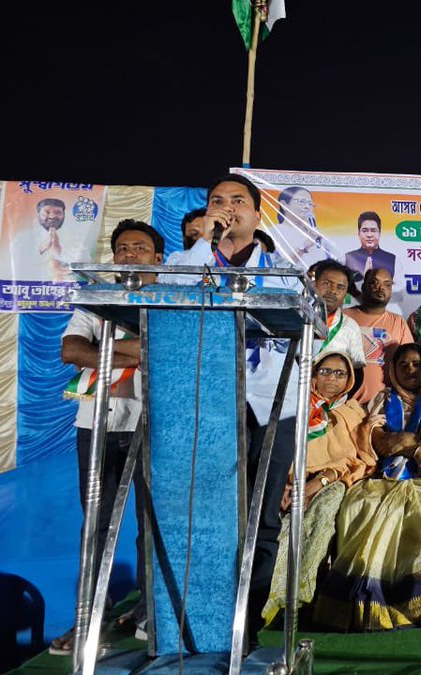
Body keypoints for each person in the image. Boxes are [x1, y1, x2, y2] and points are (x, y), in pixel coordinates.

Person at [158, 173, 303, 643]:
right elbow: (173, 294)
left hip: (273, 404)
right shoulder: (187, 259)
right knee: (209, 513)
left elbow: (308, 327)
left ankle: (248, 623)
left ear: (258, 216)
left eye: (237, 201)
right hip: (210, 402)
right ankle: (202, 621)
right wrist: (205, 242)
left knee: (263, 519)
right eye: (216, 201)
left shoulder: (285, 269)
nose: (226, 208)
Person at [51, 219, 165, 653]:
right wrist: (131, 349)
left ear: (159, 258)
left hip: (152, 424)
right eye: (122, 248)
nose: (130, 254)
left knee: (151, 525)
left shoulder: (170, 301)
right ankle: (88, 620)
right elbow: (70, 351)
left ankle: (150, 612)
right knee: (96, 526)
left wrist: (109, 352)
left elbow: (166, 347)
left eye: (140, 247)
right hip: (96, 425)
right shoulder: (96, 300)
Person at [313, 344, 421, 631]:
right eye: (403, 364)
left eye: (417, 364)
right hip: (386, 476)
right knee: (362, 504)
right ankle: (371, 601)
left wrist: (409, 443)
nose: (410, 370)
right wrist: (419, 447)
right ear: (392, 370)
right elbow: (380, 442)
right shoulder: (383, 398)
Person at [261, 352, 379, 625]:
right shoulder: (295, 407)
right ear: (313, 375)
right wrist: (284, 483)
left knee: (322, 512)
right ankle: (269, 598)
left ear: (350, 380)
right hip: (289, 481)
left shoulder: (351, 412)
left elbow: (359, 458)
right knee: (284, 523)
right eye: (326, 371)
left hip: (333, 481)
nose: (332, 379)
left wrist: (322, 480)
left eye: (340, 373)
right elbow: (277, 452)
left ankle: (300, 597)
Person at [343, 267, 414, 404]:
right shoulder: (344, 317)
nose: (380, 287)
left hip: (385, 407)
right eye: (374, 282)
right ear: (364, 287)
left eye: (387, 284)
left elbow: (409, 364)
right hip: (346, 404)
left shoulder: (398, 322)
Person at [6, 197, 97, 281]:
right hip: (30, 287)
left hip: (65, 290)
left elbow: (85, 264)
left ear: (64, 215)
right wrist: (41, 249)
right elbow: (14, 261)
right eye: (47, 212)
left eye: (58, 212)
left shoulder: (76, 238)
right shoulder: (23, 237)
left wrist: (59, 252)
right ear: (38, 214)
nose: (52, 216)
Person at [309, 259, 366, 374]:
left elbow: (357, 369)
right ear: (314, 284)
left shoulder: (350, 326)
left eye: (340, 287)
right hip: (293, 388)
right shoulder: (296, 316)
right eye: (327, 283)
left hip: (332, 390)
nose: (333, 291)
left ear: (346, 293)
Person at [276, 186, 343, 269]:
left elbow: (340, 260)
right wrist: (304, 246)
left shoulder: (317, 235)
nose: (307, 207)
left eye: (310, 203)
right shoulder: (274, 232)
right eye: (301, 202)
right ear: (284, 204)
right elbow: (278, 265)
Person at [344, 211, 396, 281]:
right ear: (359, 233)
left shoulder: (392, 259)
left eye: (373, 230)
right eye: (365, 231)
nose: (369, 235)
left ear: (379, 233)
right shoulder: (348, 258)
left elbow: (398, 288)